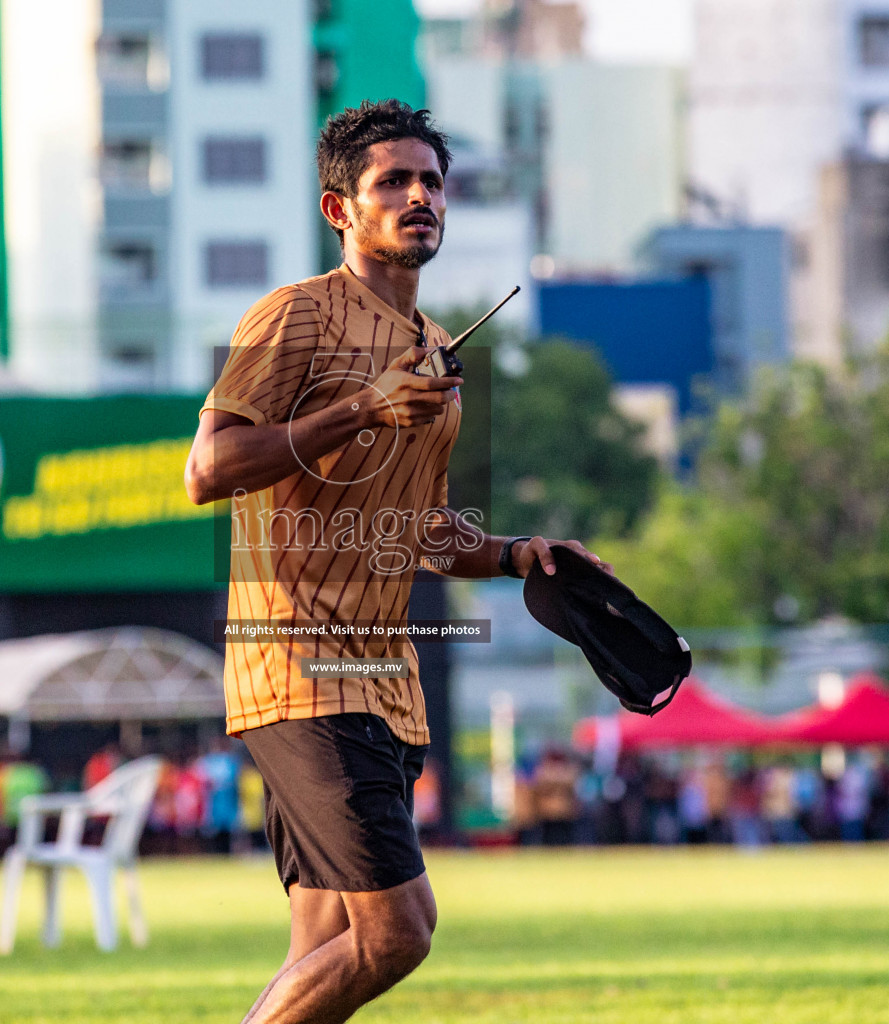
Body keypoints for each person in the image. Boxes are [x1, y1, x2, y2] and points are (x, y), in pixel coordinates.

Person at [184, 99, 612, 1023]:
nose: (421, 196)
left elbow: (418, 526)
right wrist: (360, 410)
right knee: (397, 932)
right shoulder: (294, 316)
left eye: (432, 181)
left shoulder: (430, 355)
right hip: (299, 667)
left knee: (326, 947)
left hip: (383, 678)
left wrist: (517, 554)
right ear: (341, 209)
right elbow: (207, 469)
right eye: (394, 182)